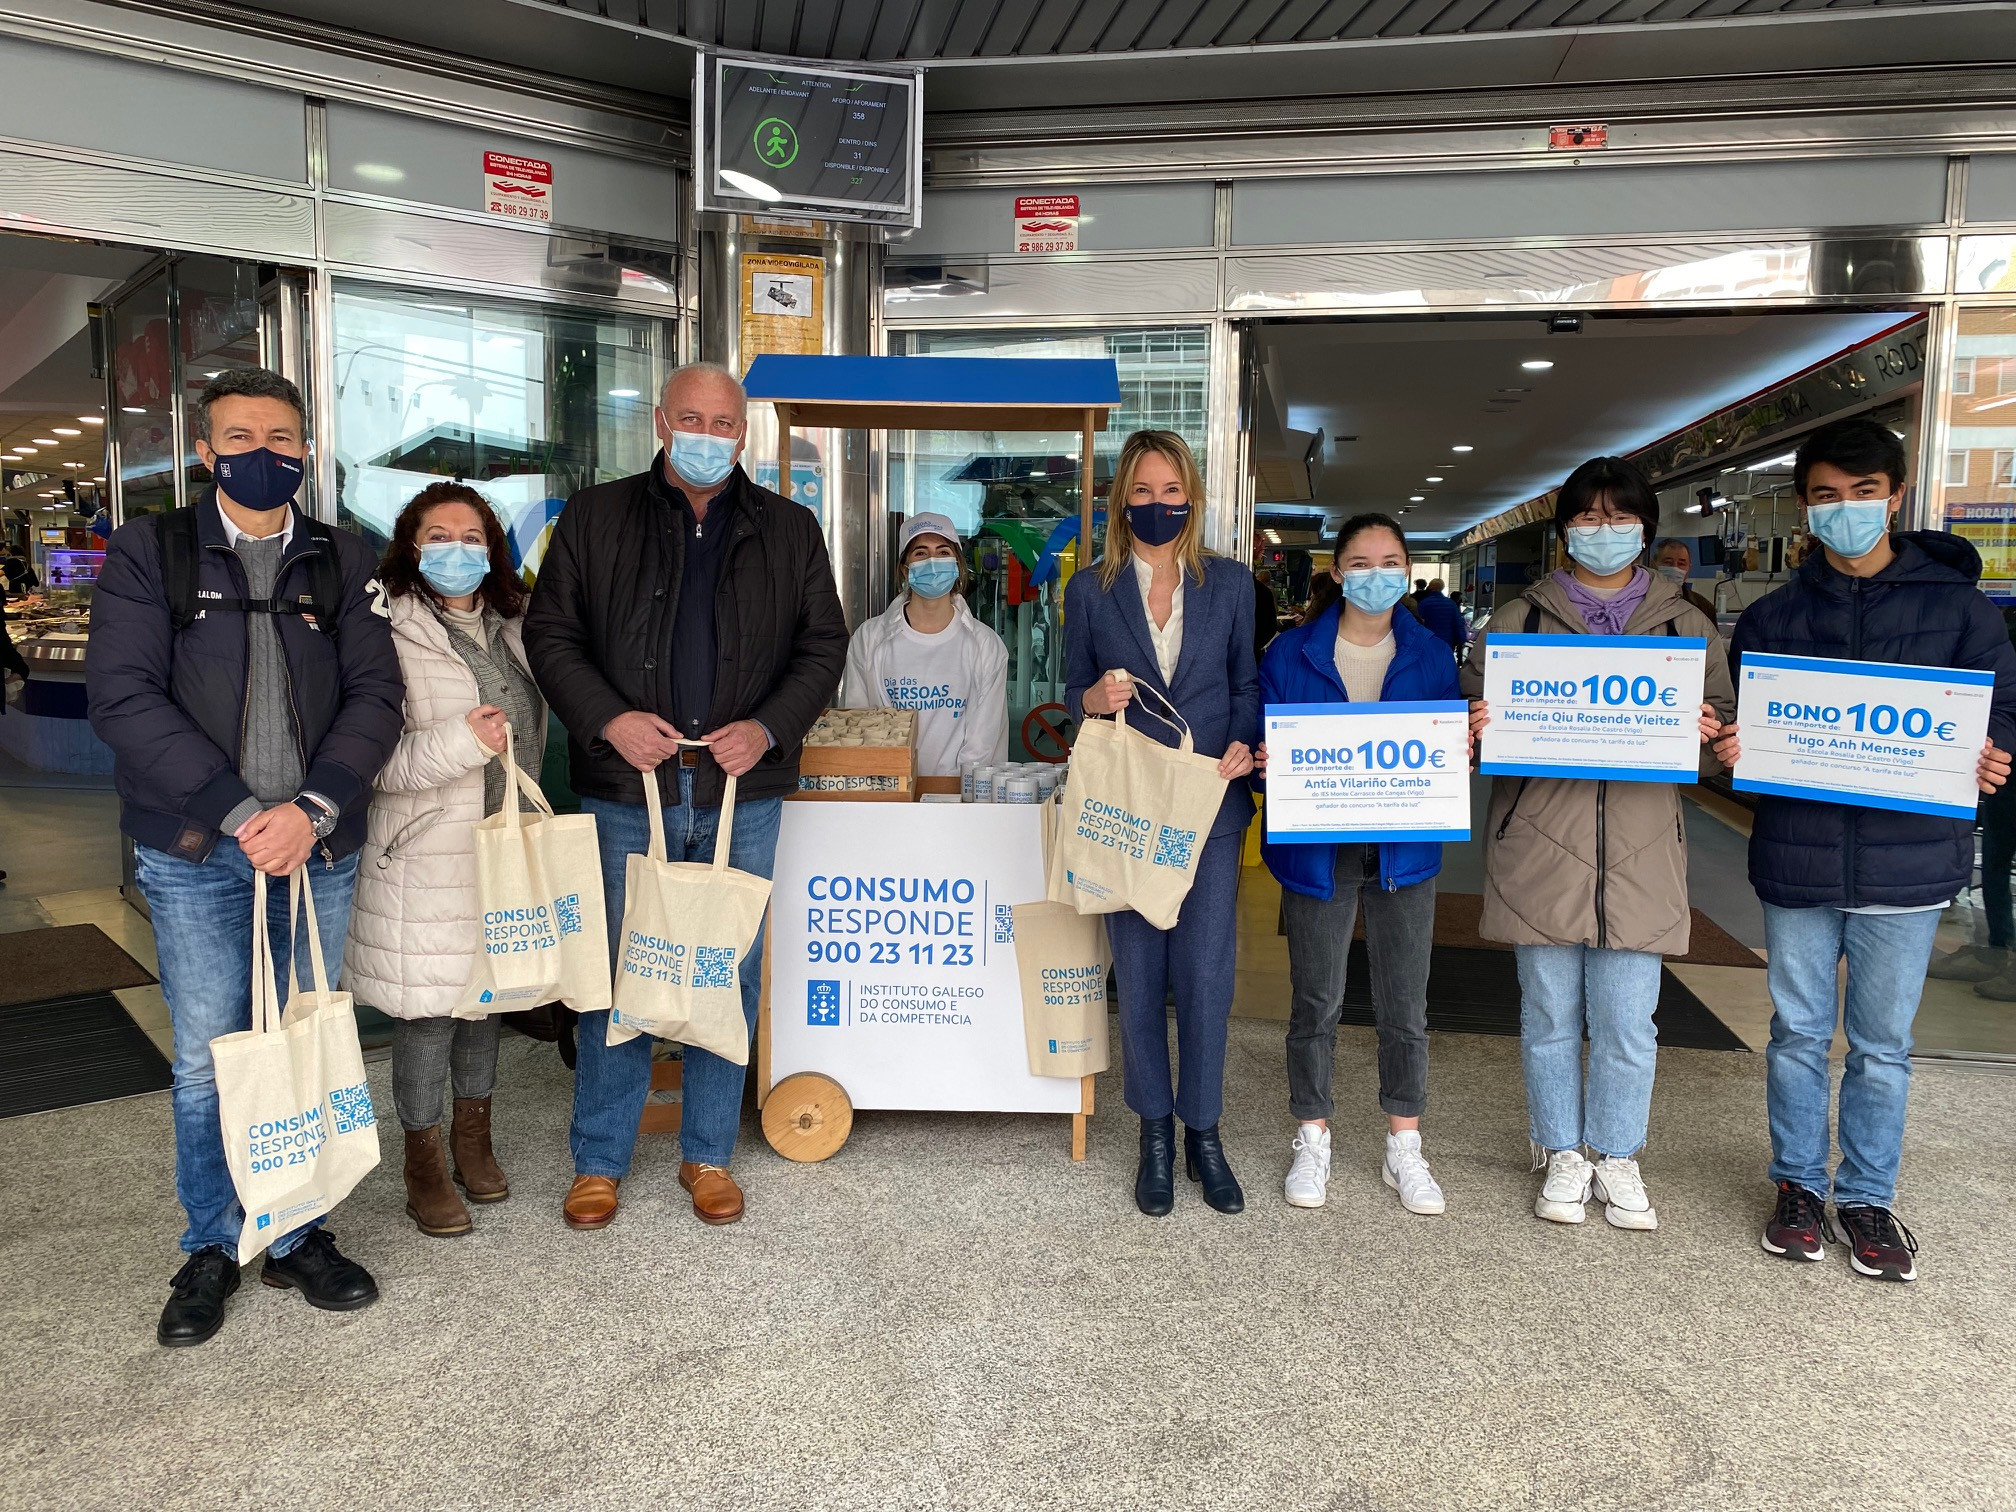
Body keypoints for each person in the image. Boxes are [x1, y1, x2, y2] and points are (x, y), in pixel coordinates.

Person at [86, 367, 403, 1347]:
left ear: (307, 447)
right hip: (196, 853)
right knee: (208, 1059)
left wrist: (312, 808)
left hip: (319, 849)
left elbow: (376, 697)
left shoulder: (346, 560)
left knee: (305, 1038)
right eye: (240, 436)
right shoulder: (151, 552)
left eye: (282, 435)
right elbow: (124, 699)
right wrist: (237, 812)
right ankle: (214, 1243)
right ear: (205, 450)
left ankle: (301, 1229)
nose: (263, 452)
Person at [525, 361, 847, 1230]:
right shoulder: (596, 517)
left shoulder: (789, 527)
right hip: (630, 788)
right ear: (662, 422)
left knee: (722, 972)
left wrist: (771, 727)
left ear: (746, 434)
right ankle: (600, 1159)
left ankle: (708, 1155)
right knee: (620, 977)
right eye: (694, 420)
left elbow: (823, 645)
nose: (710, 437)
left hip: (744, 790)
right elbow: (549, 634)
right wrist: (608, 719)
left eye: (726, 424)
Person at [1713, 418, 2016, 1282]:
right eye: (1826, 497)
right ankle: (1800, 1188)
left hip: (1908, 863)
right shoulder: (1772, 617)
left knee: (1883, 1045)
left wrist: (1992, 747)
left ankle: (1869, 1198)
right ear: (1805, 508)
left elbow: (2004, 705)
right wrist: (1738, 748)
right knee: (1799, 1033)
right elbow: (1754, 729)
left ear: (1895, 493)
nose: (1845, 511)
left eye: (1863, 493)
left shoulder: (1956, 608)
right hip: (1799, 859)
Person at [1459, 455, 1733, 1233]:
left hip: (1645, 847)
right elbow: (1470, 736)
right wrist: (1474, 729)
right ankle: (1560, 1151)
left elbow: (1724, 745)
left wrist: (1713, 737)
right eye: (1587, 517)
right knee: (1546, 1012)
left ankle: (1616, 1153)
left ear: (1646, 527)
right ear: (1563, 529)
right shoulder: (1520, 622)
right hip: (1540, 841)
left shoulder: (1688, 624)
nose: (1603, 531)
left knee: (1627, 1017)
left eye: (1618, 517)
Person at [1255, 513, 1485, 1216]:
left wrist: (1466, 742)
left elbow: (1445, 755)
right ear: (1336, 572)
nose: (1376, 574)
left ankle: (1404, 1145)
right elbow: (1264, 748)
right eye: (1360, 562)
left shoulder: (1428, 655)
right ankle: (1313, 1134)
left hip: (1403, 854)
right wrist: (1267, 765)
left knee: (1404, 1005)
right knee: (1315, 1002)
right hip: (1317, 854)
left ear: (1407, 569)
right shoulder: (1288, 655)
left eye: (1390, 561)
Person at [1064, 429, 1259, 1218]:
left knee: (1205, 978)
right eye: (1142, 493)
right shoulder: (1089, 589)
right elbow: (1070, 684)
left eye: (1170, 492)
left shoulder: (1233, 584)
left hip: (1209, 803)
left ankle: (1202, 1134)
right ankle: (1151, 1131)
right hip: (1128, 810)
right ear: (1122, 501)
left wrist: (1247, 742)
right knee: (1139, 977)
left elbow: (1246, 681)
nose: (1157, 506)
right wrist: (1092, 701)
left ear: (1193, 496)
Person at [344, 482, 542, 1239]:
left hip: (502, 845)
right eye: (439, 535)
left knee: (484, 1004)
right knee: (427, 1016)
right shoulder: (384, 629)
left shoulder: (515, 623)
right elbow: (371, 761)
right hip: (424, 854)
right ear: (411, 544)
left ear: (492, 548)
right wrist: (463, 741)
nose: (456, 549)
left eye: (472, 536)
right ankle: (422, 1164)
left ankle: (474, 1141)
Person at [841, 511, 1007, 777]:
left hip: (959, 801)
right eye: (920, 553)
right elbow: (856, 727)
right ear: (905, 569)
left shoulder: (985, 645)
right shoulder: (869, 639)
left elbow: (982, 744)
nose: (933, 561)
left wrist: (952, 798)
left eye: (943, 552)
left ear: (957, 564)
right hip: (888, 792)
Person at [1652, 538, 1720, 624]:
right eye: (1668, 562)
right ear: (1653, 565)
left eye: (1681, 564)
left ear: (1689, 568)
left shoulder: (1703, 607)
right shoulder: (1640, 601)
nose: (1675, 568)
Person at [1413, 576, 1468, 653]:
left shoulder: (1424, 603)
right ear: (1442, 588)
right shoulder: (1451, 604)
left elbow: (1418, 622)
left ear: (1430, 587)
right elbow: (1458, 622)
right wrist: (1461, 639)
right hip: (1447, 640)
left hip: (1428, 639)